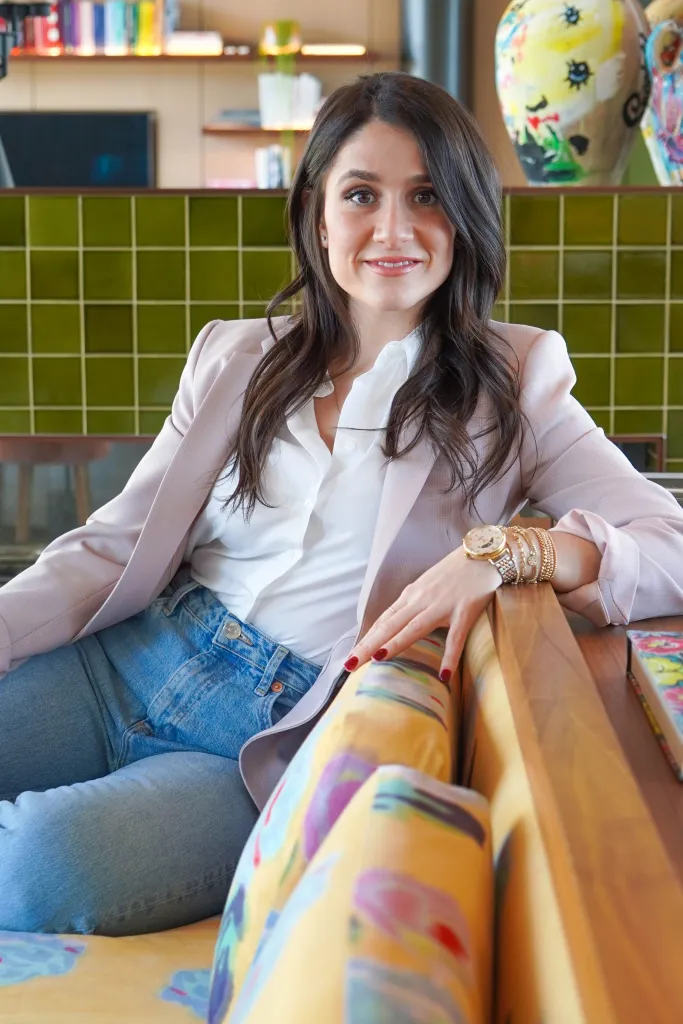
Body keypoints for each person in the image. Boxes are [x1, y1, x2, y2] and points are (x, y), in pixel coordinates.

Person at [1, 71, 683, 938]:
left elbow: (669, 542)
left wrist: (509, 552)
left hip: (260, 738)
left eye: (426, 196)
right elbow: (114, 544)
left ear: (464, 216)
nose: (392, 229)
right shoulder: (234, 357)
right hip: (127, 658)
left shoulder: (513, 381)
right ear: (318, 215)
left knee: (41, 865)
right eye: (361, 194)